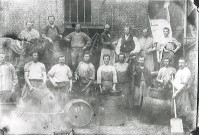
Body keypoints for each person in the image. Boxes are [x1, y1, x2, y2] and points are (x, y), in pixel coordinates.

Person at [172, 58, 193, 130]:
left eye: (182, 63)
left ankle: (187, 126)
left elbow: (183, 85)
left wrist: (176, 93)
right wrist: (172, 80)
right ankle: (180, 126)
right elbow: (176, 82)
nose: (180, 64)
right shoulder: (178, 71)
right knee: (179, 108)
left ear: (185, 63)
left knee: (185, 109)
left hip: (183, 92)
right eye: (179, 63)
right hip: (178, 92)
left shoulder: (187, 71)